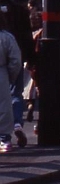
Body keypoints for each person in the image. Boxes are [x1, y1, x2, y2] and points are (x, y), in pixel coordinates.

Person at [0, 12, 23, 152]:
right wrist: (10, 76)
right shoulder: (7, 37)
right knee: (3, 107)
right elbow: (16, 60)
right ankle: (4, 138)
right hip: (1, 71)